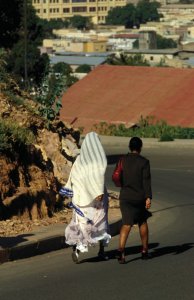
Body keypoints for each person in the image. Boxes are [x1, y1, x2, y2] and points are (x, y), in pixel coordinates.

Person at [62, 132, 111, 263]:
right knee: (100, 223)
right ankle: (101, 251)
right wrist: (98, 193)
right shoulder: (97, 160)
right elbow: (99, 179)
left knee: (81, 225)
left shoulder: (79, 160)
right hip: (96, 201)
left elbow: (74, 178)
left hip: (80, 200)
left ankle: (77, 252)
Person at [116, 137, 152, 264]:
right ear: (140, 147)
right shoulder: (144, 162)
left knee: (126, 224)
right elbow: (146, 181)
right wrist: (148, 197)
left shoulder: (122, 160)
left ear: (129, 147)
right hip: (139, 197)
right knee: (142, 222)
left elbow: (118, 177)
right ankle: (144, 250)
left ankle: (121, 250)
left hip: (125, 197)